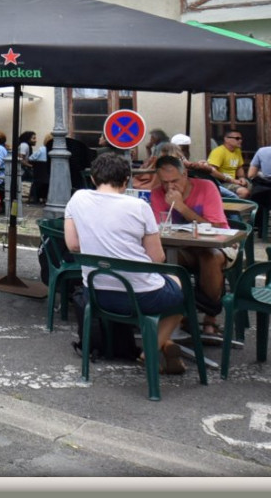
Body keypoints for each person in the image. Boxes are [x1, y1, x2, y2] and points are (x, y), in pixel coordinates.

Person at [63, 151, 187, 374]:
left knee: (153, 291)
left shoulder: (77, 199)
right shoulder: (139, 206)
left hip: (97, 294)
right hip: (140, 296)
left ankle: (162, 344)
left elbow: (72, 245)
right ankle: (151, 350)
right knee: (180, 290)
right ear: (126, 180)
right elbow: (157, 258)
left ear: (93, 178)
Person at [147, 153, 231, 337]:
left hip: (215, 244)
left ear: (185, 174)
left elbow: (217, 226)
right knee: (166, 260)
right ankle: (180, 316)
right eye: (164, 182)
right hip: (181, 247)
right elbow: (158, 227)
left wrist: (182, 208)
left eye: (174, 180)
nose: (170, 186)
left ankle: (211, 317)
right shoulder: (157, 194)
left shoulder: (206, 187)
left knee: (211, 258)